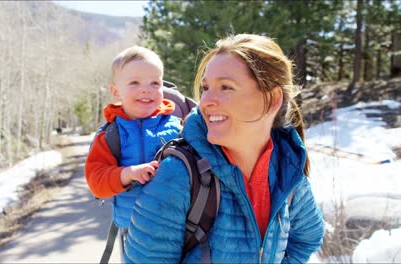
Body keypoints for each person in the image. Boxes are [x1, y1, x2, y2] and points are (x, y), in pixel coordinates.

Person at [124, 34, 325, 263]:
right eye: (206, 87)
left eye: (226, 87)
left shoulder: (287, 171)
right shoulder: (178, 175)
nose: (206, 100)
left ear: (271, 99)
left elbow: (308, 238)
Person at [84, 46, 182, 259]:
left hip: (180, 225)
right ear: (116, 92)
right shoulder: (111, 135)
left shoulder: (178, 127)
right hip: (134, 231)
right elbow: (96, 181)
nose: (146, 89)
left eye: (154, 83)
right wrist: (126, 174)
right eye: (134, 83)